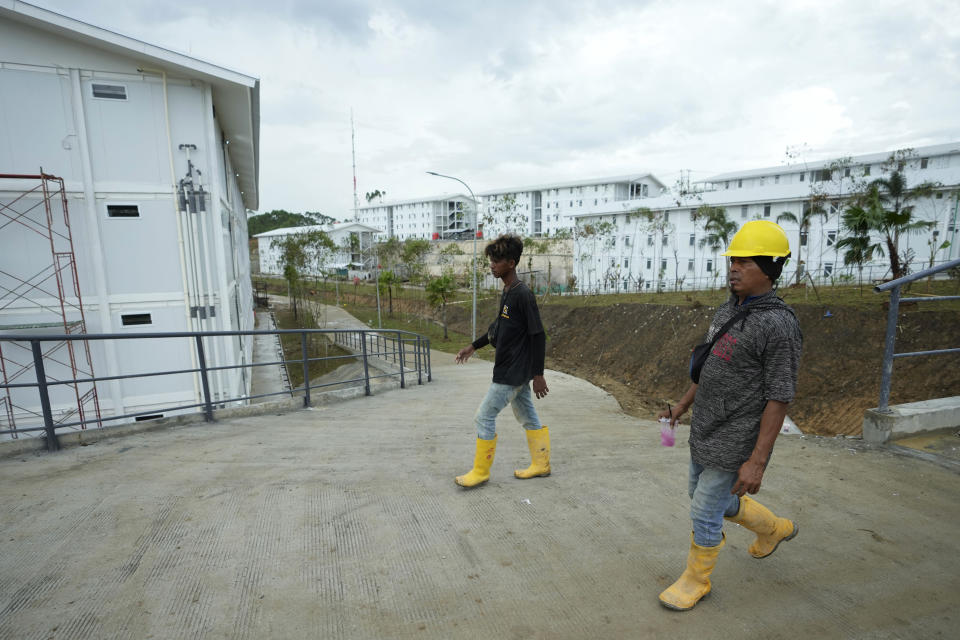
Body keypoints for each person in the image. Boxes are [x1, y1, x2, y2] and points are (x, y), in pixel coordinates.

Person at [657, 220, 802, 611]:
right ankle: (773, 529)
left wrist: (757, 462)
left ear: (770, 269)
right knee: (705, 498)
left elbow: (779, 396)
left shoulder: (779, 325)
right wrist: (683, 405)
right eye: (732, 260)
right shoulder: (727, 311)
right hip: (705, 426)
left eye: (746, 262)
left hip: (737, 436)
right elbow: (710, 366)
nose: (734, 268)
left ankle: (696, 579)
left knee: (705, 507)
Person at [453, 234, 550, 488]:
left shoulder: (522, 295)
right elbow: (498, 329)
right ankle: (541, 464)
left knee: (483, 416)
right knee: (528, 416)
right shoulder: (507, 292)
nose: (492, 265)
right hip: (513, 370)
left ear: (512, 263)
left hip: (512, 372)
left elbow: (537, 335)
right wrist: (473, 346)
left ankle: (480, 471)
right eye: (491, 260)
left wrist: (538, 374)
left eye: (497, 261)